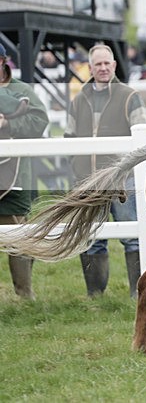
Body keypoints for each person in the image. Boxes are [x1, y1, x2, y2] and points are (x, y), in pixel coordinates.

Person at [65, 44, 146, 298]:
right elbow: (69, 137)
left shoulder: (130, 95)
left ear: (114, 65)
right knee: (91, 237)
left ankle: (138, 292)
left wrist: (127, 172)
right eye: (97, 64)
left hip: (123, 181)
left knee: (133, 236)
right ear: (89, 68)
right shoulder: (79, 99)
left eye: (107, 64)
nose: (103, 68)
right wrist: (77, 169)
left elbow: (142, 135)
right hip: (88, 182)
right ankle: (95, 294)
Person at [0, 45, 49, 299]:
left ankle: (24, 295)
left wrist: (8, 123)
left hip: (15, 177)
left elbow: (39, 122)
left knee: (18, 236)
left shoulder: (22, 91)